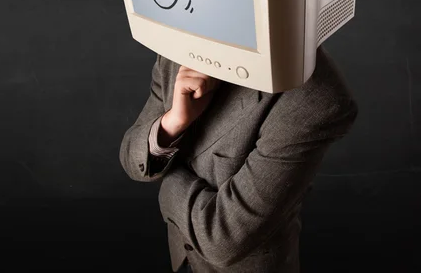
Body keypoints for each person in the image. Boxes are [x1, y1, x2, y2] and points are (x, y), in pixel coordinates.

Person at [119, 46, 358, 272]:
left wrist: (169, 176)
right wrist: (173, 123)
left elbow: (222, 239)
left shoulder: (313, 98)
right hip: (181, 257)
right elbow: (132, 159)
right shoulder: (176, 49)